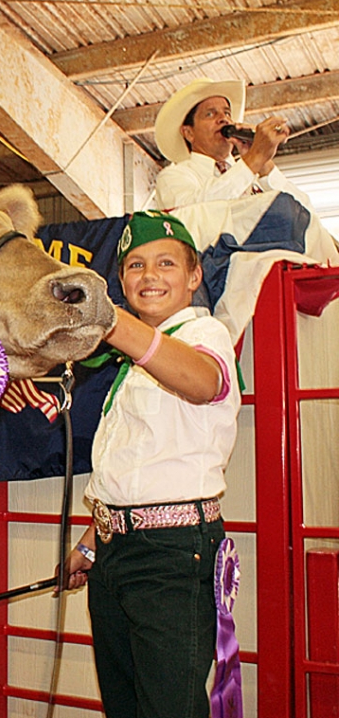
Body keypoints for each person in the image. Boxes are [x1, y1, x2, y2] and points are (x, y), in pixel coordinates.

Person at [64, 210, 241, 718]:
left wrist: (114, 321)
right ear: (122, 280)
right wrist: (91, 543)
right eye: (135, 266)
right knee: (125, 706)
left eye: (166, 264)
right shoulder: (133, 363)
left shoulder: (207, 336)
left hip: (171, 556)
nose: (149, 276)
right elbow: (133, 467)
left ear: (193, 277)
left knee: (170, 709)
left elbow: (203, 381)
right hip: (116, 552)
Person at [153, 77, 311, 210]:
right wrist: (253, 160)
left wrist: (265, 166)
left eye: (227, 113)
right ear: (189, 133)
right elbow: (194, 213)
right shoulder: (174, 176)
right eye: (210, 114)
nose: (224, 119)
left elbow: (305, 213)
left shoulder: (251, 173)